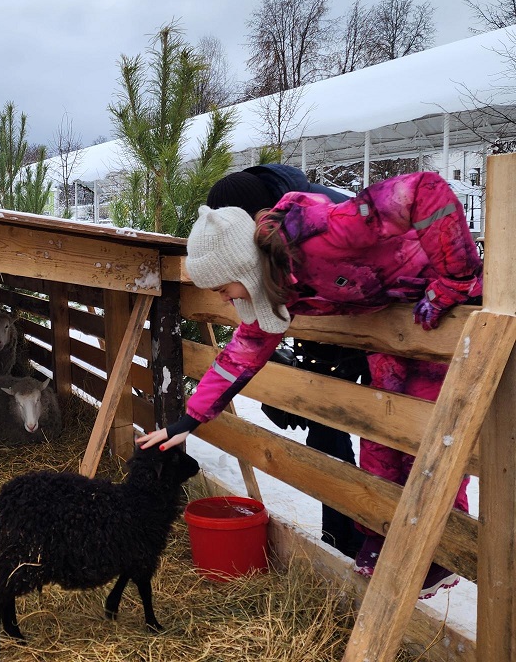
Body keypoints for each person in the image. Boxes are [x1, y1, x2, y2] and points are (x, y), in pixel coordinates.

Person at [137, 170, 482, 600]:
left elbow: (422, 190)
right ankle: (380, 534)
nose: (225, 299)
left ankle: (440, 551)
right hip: (390, 321)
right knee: (379, 436)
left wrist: (455, 278)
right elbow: (239, 356)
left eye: (224, 288)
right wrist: (186, 421)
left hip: (439, 310)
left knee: (422, 438)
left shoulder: (320, 233)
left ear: (243, 267)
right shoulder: (274, 288)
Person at [204, 164, 368, 558]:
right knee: (325, 432)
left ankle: (373, 545)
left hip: (379, 321)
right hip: (327, 323)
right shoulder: (271, 222)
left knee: (381, 435)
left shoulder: (320, 217)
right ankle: (344, 544)